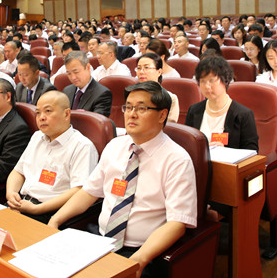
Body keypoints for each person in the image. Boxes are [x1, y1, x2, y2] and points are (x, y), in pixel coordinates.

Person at [48, 81, 197, 277]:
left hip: (141, 251)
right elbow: (88, 193)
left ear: (162, 115)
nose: (131, 114)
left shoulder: (177, 160)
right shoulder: (115, 146)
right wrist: (55, 220)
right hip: (99, 240)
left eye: (141, 108)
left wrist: (139, 259)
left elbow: (177, 224)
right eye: (128, 107)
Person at [6, 91, 98, 223]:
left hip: (49, 213)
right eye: (38, 113)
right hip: (20, 204)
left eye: (48, 111)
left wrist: (37, 209)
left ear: (66, 114)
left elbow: (78, 190)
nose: (41, 117)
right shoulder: (37, 136)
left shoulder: (82, 146)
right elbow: (18, 171)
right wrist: (11, 193)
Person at [185, 56, 258, 150]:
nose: (207, 86)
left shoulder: (243, 114)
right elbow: (187, 144)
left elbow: (252, 151)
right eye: (202, 81)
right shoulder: (194, 110)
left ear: (225, 80)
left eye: (211, 81)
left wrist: (225, 151)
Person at [63, 51, 112, 117]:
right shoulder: (67, 91)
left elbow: (97, 121)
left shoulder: (102, 94)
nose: (73, 77)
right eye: (69, 73)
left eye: (76, 72)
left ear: (88, 67)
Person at [136, 53, 179, 123]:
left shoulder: (170, 98)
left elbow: (169, 126)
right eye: (139, 68)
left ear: (159, 72)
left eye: (146, 67)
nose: (141, 72)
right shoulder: (132, 95)